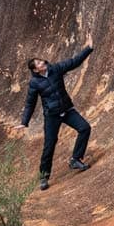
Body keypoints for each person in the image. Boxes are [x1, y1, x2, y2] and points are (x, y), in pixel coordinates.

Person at [19, 44, 94, 190]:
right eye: (39, 63)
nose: (43, 62)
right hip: (52, 116)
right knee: (49, 145)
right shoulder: (34, 83)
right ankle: (44, 177)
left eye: (41, 61)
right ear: (36, 70)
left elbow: (74, 61)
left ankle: (75, 159)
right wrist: (24, 122)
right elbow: (30, 103)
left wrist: (88, 48)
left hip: (67, 110)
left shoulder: (55, 69)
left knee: (84, 128)